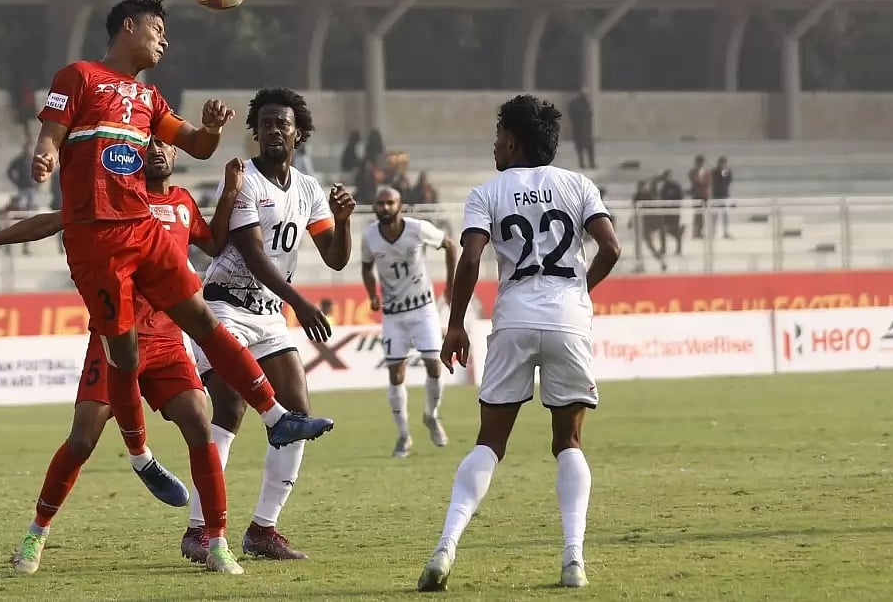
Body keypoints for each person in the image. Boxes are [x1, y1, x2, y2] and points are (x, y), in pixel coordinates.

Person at [29, 0, 335, 500]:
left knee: (202, 319)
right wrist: (44, 156)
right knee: (120, 363)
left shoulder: (150, 101)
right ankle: (140, 456)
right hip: (98, 242)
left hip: (139, 232)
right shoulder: (78, 76)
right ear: (128, 26)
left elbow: (195, 144)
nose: (164, 40)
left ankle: (275, 419)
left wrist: (211, 127)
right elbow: (51, 134)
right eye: (157, 29)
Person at [0, 141, 248, 575]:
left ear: (178, 156)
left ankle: (216, 540)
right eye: (150, 144)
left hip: (164, 339)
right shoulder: (118, 201)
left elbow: (216, 242)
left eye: (166, 144)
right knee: (83, 439)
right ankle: (36, 534)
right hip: (114, 336)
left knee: (200, 422)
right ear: (135, 157)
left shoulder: (182, 203)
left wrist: (230, 190)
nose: (159, 150)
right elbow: (51, 222)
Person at [415, 95, 621, 591]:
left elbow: (469, 261)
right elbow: (611, 248)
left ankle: (446, 547)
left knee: (490, 442)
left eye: (497, 136)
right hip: (569, 321)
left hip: (513, 320)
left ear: (511, 140)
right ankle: (573, 560)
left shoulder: (486, 193)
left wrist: (456, 324)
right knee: (568, 442)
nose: (493, 145)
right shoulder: (578, 184)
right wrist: (578, 291)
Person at [180, 87, 356, 564]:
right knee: (229, 408)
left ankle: (263, 530)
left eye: (284, 123)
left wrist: (343, 222)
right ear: (255, 132)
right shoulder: (244, 181)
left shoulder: (309, 189)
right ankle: (200, 529)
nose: (275, 130)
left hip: (267, 313)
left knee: (297, 413)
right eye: (267, 123)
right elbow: (253, 254)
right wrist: (299, 302)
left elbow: (337, 259)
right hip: (223, 306)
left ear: (299, 132)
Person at [360, 186, 455, 458]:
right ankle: (404, 436)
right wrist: (371, 294)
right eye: (380, 203)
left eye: (390, 203)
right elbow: (366, 267)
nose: (385, 208)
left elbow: (449, 244)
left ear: (400, 206)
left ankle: (431, 415)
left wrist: (450, 285)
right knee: (395, 373)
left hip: (423, 308)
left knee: (434, 364)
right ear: (375, 206)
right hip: (393, 314)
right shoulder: (369, 236)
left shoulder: (417, 228)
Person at [688, 155, 711, 238]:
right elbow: (694, 180)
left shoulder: (706, 172)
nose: (700, 164)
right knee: (697, 214)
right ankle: (695, 232)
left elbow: (707, 182)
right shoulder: (693, 172)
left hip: (704, 196)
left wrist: (701, 182)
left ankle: (700, 231)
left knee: (702, 215)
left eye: (701, 162)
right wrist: (701, 182)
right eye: (698, 162)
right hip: (696, 195)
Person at [711, 156, 733, 239]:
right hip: (716, 195)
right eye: (721, 162)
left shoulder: (728, 172)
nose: (722, 164)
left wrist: (723, 172)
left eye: (724, 163)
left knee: (725, 215)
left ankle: (725, 232)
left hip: (725, 195)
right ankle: (713, 231)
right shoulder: (714, 171)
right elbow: (714, 181)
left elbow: (728, 181)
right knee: (714, 215)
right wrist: (719, 172)